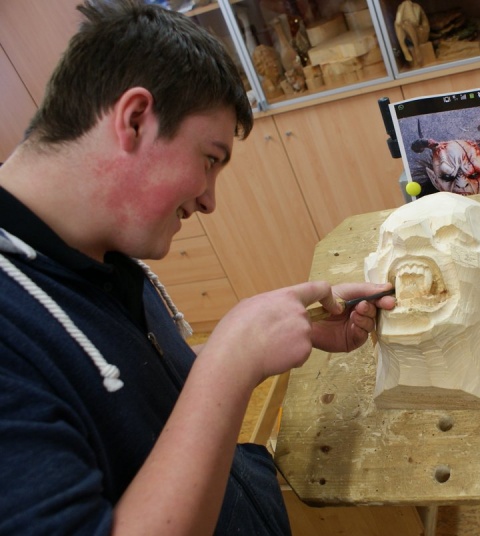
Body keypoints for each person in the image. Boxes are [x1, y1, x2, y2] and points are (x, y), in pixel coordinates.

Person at [0, 1, 394, 534]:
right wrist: (229, 362)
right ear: (134, 120)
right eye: (209, 159)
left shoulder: (95, 243)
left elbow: (129, 397)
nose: (209, 200)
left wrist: (263, 339)